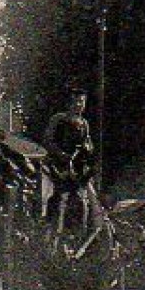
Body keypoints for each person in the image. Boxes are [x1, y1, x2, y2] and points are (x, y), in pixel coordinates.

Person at [42, 90, 95, 230]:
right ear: (69, 103)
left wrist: (88, 148)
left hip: (76, 167)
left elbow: (88, 143)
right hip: (58, 165)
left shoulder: (84, 123)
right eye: (76, 101)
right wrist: (61, 154)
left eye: (82, 101)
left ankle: (76, 231)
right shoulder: (59, 119)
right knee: (58, 197)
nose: (78, 105)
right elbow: (48, 141)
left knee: (80, 200)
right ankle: (50, 226)